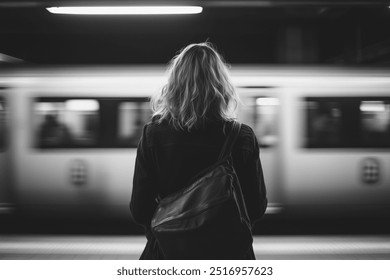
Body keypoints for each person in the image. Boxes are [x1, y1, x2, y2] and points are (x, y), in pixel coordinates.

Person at [130, 42, 267, 259]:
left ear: (175, 84)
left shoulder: (153, 135)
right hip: (228, 255)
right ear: (221, 86)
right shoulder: (242, 136)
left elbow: (140, 210)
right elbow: (256, 207)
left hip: (167, 253)